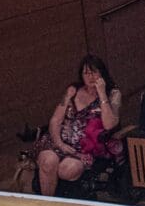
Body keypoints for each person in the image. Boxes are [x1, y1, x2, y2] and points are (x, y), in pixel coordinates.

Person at [36, 57, 120, 194]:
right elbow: (55, 120)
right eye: (86, 73)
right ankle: (48, 205)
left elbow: (110, 124)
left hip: (86, 149)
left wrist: (102, 94)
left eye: (94, 72)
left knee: (67, 170)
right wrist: (60, 144)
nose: (90, 76)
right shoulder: (72, 90)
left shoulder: (113, 94)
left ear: (102, 74)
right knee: (48, 162)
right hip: (59, 142)